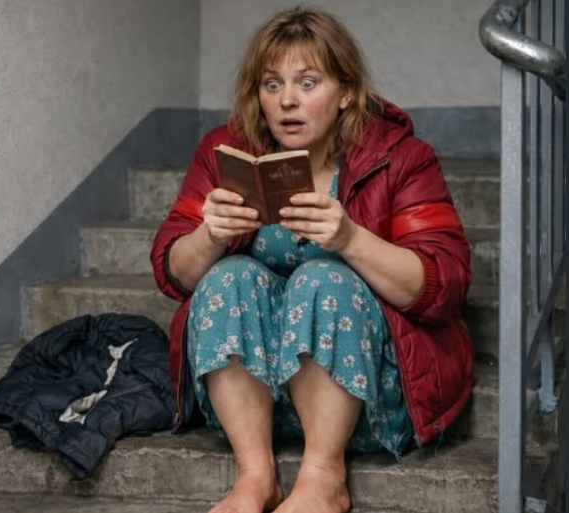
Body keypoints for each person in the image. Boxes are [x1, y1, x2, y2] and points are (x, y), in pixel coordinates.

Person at [151, 6, 473, 513]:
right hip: (258, 405)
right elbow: (174, 274)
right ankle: (255, 476)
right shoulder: (226, 151)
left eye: (307, 82)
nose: (287, 101)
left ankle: (324, 477)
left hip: (366, 398)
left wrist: (350, 239)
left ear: (345, 92)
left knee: (324, 277)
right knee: (227, 276)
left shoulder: (399, 157)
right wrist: (210, 235)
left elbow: (446, 285)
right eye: (272, 84)